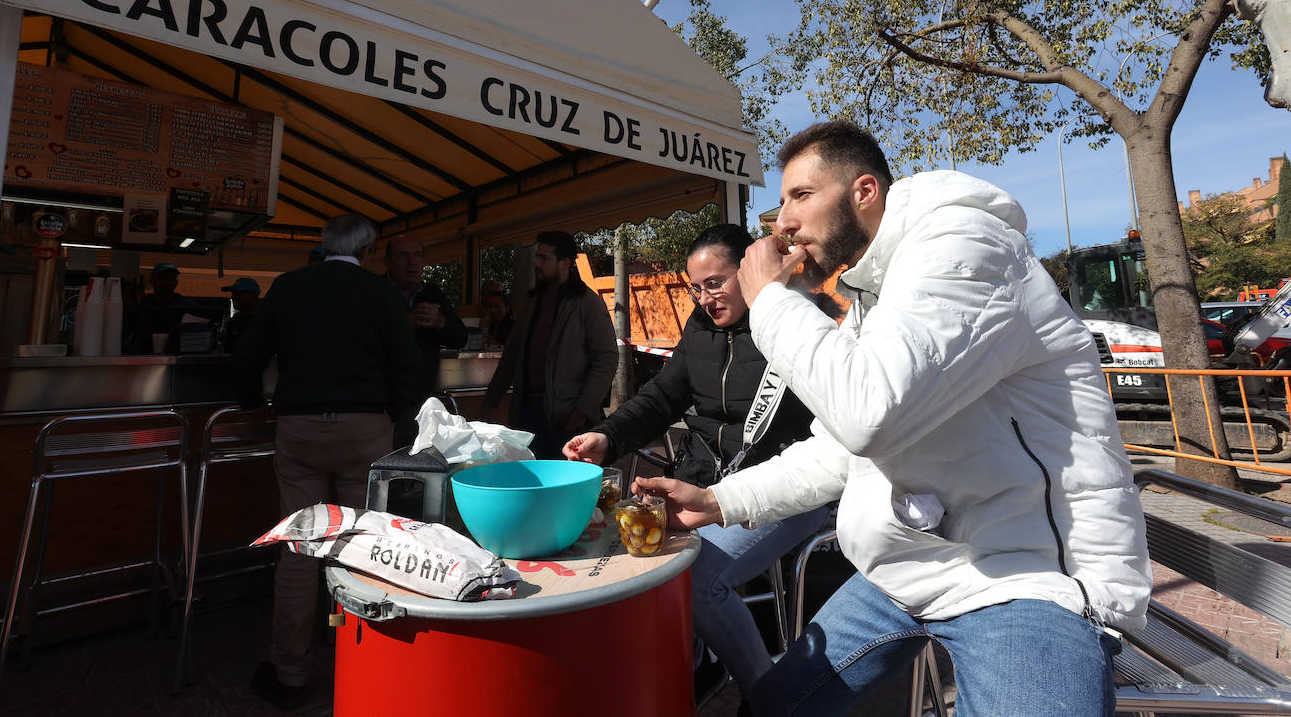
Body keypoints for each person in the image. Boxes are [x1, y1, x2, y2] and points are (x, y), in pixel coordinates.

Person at [639, 121, 1151, 717]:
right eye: (782, 203)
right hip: (911, 567)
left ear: (864, 192)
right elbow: (839, 449)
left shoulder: (966, 248)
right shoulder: (876, 288)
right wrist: (719, 501)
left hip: (1025, 576)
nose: (783, 222)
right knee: (771, 707)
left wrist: (771, 300)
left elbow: (867, 416)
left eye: (801, 196)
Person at [563, 223, 832, 700]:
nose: (705, 298)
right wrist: (605, 437)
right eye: (696, 287)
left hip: (782, 492)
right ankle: (691, 665)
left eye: (716, 283)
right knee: (627, 549)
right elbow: (661, 397)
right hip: (700, 483)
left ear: (749, 271)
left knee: (695, 574)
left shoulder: (799, 323)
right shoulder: (700, 327)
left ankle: (769, 700)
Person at [231, 214, 420, 710]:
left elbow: (247, 354)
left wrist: (251, 400)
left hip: (300, 429)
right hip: (366, 430)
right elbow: (406, 365)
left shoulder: (289, 287)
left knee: (299, 550)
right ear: (368, 251)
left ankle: (291, 673)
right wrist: (397, 421)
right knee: (361, 548)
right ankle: (364, 659)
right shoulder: (381, 295)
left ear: (323, 246)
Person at [482, 231, 616, 458]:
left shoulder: (587, 304)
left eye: (544, 258)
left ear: (565, 263)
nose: (536, 263)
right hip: (528, 415)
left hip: (567, 420)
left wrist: (582, 410)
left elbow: (607, 359)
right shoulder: (532, 302)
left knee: (563, 487)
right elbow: (512, 356)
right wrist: (489, 403)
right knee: (529, 483)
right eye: (536, 257)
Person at [384, 234, 468, 438]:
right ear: (388, 262)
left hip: (421, 401)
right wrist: (405, 323)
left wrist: (440, 321)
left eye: (417, 255)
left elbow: (460, 338)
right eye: (403, 256)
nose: (412, 262)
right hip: (382, 404)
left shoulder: (432, 293)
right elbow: (362, 340)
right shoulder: (376, 291)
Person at [123, 261, 194, 353]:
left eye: (171, 278)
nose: (167, 282)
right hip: (145, 359)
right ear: (152, 280)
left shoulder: (187, 307)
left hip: (177, 357)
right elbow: (124, 335)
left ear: (176, 283)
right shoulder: (140, 308)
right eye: (163, 277)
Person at [220, 276, 262, 352]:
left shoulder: (266, 320)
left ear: (252, 295)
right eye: (233, 293)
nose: (233, 297)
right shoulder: (234, 321)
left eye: (237, 294)